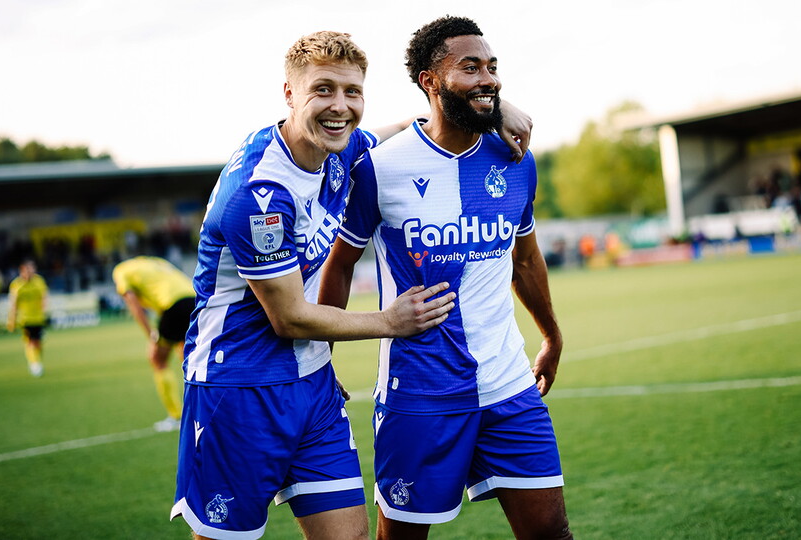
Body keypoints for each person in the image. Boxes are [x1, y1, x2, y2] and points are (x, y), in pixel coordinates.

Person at [170, 31, 473, 540]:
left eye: (352, 91)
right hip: (238, 389)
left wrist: (496, 112)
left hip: (313, 385)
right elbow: (288, 317)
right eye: (323, 90)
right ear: (289, 94)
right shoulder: (260, 194)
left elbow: (410, 128)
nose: (340, 106)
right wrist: (390, 322)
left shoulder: (340, 147)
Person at [320, 16, 572, 539]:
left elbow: (526, 259)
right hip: (418, 395)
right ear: (430, 81)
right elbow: (340, 264)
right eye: (471, 67)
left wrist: (551, 335)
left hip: (509, 387)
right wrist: (323, 357)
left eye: (492, 67)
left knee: (551, 534)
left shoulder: (516, 158)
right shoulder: (379, 168)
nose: (489, 78)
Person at [112, 255, 195, 432]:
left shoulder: (121, 271)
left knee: (157, 359)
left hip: (174, 305)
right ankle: (202, 411)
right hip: (195, 299)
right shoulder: (156, 262)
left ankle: (176, 416)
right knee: (191, 361)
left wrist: (151, 334)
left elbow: (134, 305)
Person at [6, 259, 49, 378]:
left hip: (38, 318)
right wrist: (12, 320)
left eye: (33, 269)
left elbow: (44, 297)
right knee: (30, 342)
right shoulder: (16, 285)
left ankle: (36, 361)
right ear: (22, 270)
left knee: (38, 343)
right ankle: (34, 364)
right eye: (28, 269)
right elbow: (14, 304)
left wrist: (45, 310)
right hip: (25, 318)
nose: (31, 271)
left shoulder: (39, 281)